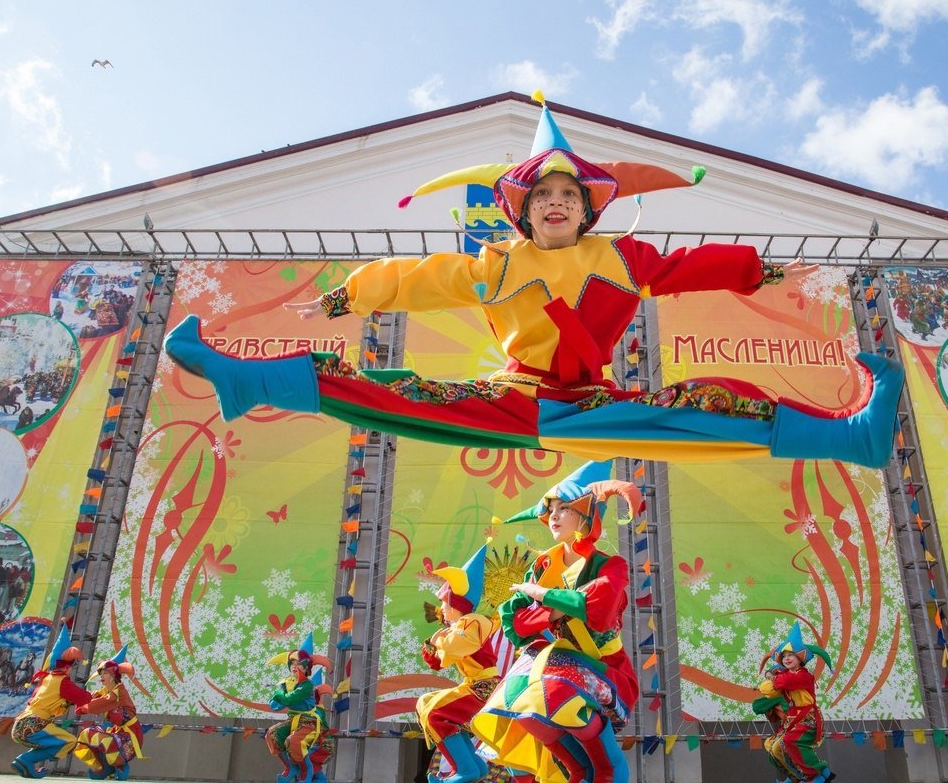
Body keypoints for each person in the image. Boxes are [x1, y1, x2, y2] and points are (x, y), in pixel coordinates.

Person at [164, 95, 903, 469]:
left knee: (714, 401)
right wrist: (347, 295)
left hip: (593, 404)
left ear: (588, 210)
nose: (557, 203)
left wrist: (758, 267)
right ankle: (242, 376)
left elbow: (687, 268)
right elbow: (422, 278)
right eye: (543, 196)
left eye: (570, 196)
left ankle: (855, 437)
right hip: (515, 401)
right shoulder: (499, 265)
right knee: (385, 386)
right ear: (522, 211)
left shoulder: (623, 259)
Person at [470, 461, 636, 783]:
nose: (554, 516)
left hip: (606, 668)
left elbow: (598, 610)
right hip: (561, 662)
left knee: (552, 687)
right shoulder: (544, 565)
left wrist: (541, 594)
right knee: (520, 702)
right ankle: (578, 771)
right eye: (551, 510)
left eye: (564, 508)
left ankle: (609, 770)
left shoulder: (610, 565)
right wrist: (554, 604)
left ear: (585, 515)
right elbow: (514, 622)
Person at [416, 543, 501, 783]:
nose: (441, 610)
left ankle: (465, 770)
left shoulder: (473, 622)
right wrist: (434, 644)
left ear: (456, 604)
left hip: (484, 687)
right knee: (425, 703)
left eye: (445, 604)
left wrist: (440, 639)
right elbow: (437, 663)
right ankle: (473, 766)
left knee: (435, 714)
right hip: (474, 685)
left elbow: (454, 647)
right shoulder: (459, 627)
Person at [10, 624, 93, 779]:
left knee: (55, 742)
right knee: (69, 741)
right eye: (71, 667)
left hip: (21, 724)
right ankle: (26, 759)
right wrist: (98, 697)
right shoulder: (62, 681)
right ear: (67, 667)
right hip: (35, 724)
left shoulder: (46, 678)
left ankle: (25, 764)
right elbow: (84, 698)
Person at [756, 623, 836, 783]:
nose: (786, 659)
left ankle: (815, 774)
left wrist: (771, 674)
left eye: (791, 655)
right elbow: (765, 689)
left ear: (800, 658)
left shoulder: (803, 676)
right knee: (772, 746)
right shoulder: (786, 675)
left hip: (809, 719)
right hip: (792, 719)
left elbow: (781, 682)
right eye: (784, 656)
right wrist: (772, 675)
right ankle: (796, 777)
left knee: (791, 741)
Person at [265, 633, 333, 783]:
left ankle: (305, 771)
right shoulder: (286, 683)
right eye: (293, 663)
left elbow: (289, 699)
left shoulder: (307, 685)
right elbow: (274, 705)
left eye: (300, 663)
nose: (295, 666)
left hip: (309, 723)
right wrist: (280, 694)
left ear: (306, 668)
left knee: (294, 742)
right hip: (293, 720)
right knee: (272, 734)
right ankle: (290, 767)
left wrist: (280, 694)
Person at [73, 646, 143, 780]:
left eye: (105, 673)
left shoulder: (117, 692)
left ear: (113, 675)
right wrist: (84, 699)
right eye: (101, 673)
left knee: (105, 740)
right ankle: (104, 766)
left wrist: (84, 707)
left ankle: (120, 765)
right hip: (117, 730)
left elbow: (103, 703)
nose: (101, 676)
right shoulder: (107, 691)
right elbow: (97, 699)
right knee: (87, 735)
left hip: (130, 734)